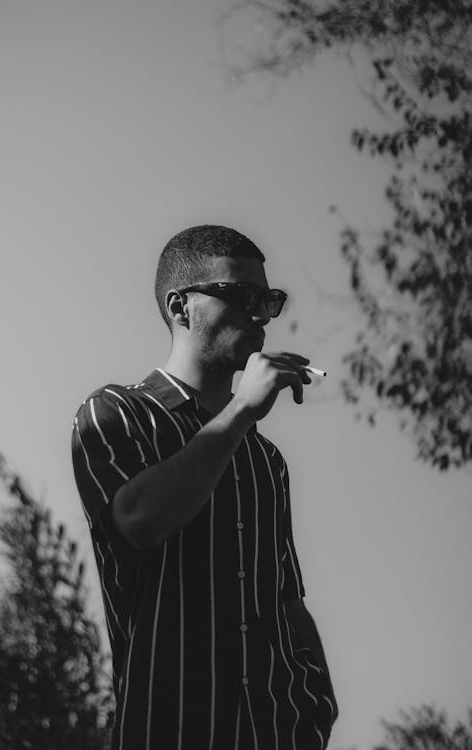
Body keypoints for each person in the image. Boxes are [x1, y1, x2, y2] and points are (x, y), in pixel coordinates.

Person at [71, 224, 338, 750]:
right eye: (241, 296)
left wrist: (320, 701)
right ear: (180, 307)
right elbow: (140, 521)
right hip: (169, 729)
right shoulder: (116, 412)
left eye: (270, 299)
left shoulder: (266, 460)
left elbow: (286, 597)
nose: (261, 314)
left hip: (277, 734)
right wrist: (241, 411)